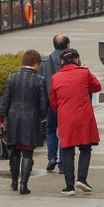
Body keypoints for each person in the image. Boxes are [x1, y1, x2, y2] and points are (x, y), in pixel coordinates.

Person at [49, 48, 101, 196]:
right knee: (85, 148)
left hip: (66, 118)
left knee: (67, 151)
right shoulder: (84, 72)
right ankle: (82, 179)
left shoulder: (56, 77)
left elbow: (53, 103)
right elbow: (97, 87)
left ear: (61, 61)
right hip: (84, 116)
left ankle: (69, 186)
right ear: (77, 59)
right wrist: (86, 70)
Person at [0, 49, 48, 195]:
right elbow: (44, 105)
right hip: (31, 118)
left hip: (13, 117)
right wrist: (41, 117)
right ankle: (23, 185)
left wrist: (1, 119)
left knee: (15, 150)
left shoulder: (12, 78)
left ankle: (13, 181)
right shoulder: (40, 80)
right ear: (36, 63)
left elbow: (5, 100)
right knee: (28, 152)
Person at [39, 34, 70, 173]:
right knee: (64, 132)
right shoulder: (72, 61)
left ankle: (52, 157)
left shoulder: (45, 61)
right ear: (68, 45)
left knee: (50, 130)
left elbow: (40, 82)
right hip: (67, 103)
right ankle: (63, 164)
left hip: (51, 103)